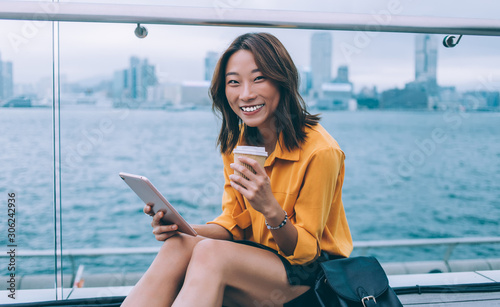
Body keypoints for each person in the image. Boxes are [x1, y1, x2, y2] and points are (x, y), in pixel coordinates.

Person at [121, 32, 352, 307]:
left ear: (282, 80)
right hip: (256, 261)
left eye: (259, 79)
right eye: (234, 82)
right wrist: (180, 228)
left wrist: (270, 209)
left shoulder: (321, 151)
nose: (245, 94)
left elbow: (305, 252)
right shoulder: (238, 144)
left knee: (211, 254)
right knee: (178, 246)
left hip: (313, 277)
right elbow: (234, 224)